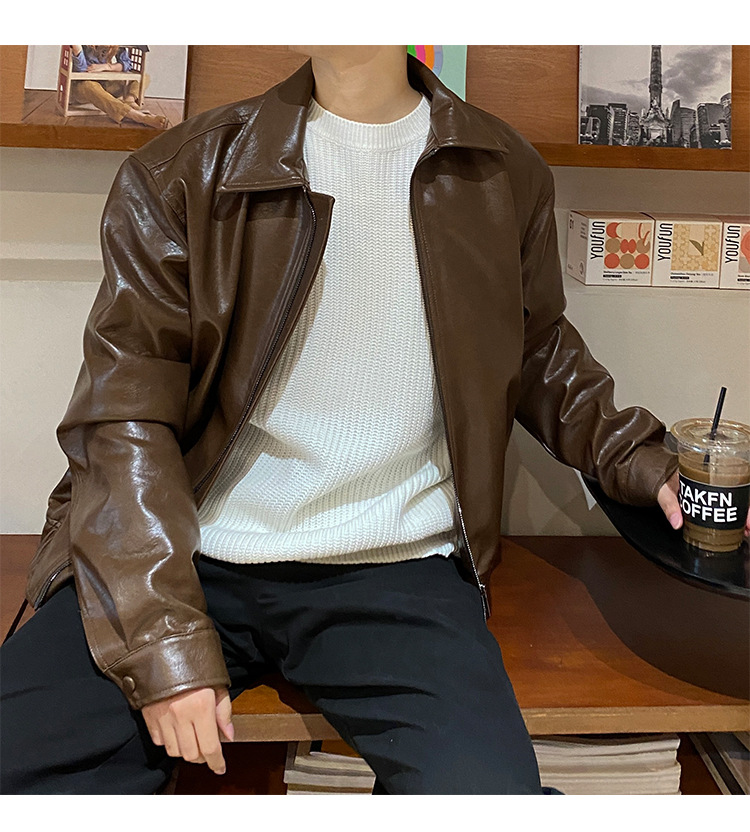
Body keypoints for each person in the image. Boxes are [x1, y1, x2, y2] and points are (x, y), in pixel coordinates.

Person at [3, 45, 745, 796]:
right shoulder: (181, 170)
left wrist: (647, 461)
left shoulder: (502, 171)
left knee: (482, 796)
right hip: (184, 553)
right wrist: (164, 642)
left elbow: (536, 350)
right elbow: (123, 413)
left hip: (398, 571)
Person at [67, 45, 168, 129]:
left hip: (105, 84)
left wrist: (107, 67)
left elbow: (127, 64)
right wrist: (77, 50)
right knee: (89, 86)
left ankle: (129, 101)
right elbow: (82, 69)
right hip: (82, 87)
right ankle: (139, 117)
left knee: (144, 77)